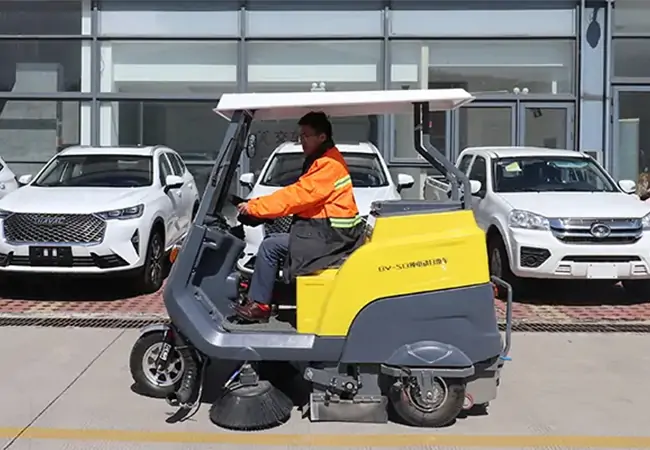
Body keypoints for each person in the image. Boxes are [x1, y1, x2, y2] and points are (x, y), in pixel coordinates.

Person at [234, 111, 364, 322]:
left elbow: (297, 196)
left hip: (332, 237)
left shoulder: (328, 165)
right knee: (276, 243)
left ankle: (260, 306)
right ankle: (270, 296)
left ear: (321, 137)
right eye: (300, 136)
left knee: (269, 246)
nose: (301, 140)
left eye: (305, 135)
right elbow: (300, 195)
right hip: (327, 232)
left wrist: (256, 207)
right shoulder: (322, 160)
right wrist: (261, 208)